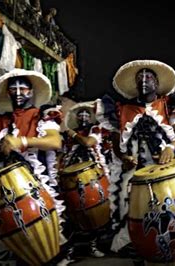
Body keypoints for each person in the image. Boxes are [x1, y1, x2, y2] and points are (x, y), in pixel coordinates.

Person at [0, 69, 66, 264]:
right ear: (7, 93)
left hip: (35, 188)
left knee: (43, 245)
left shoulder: (42, 115)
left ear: (31, 91)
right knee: (0, 245)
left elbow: (55, 141)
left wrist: (23, 141)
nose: (18, 92)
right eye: (13, 88)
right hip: (1, 191)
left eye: (23, 88)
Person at [96, 60, 175, 257]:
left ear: (157, 82)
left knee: (172, 215)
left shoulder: (168, 104)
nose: (144, 80)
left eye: (149, 77)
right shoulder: (121, 110)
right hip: (133, 175)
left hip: (165, 171)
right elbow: (116, 143)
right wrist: (124, 157)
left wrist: (171, 148)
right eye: (140, 78)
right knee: (131, 215)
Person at [60, 101, 107, 261]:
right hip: (71, 178)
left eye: (87, 114)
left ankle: (93, 245)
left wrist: (72, 134)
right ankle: (69, 250)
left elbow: (88, 143)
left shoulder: (95, 129)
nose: (84, 117)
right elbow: (62, 153)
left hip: (92, 175)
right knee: (72, 213)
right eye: (80, 114)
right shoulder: (68, 137)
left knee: (93, 209)